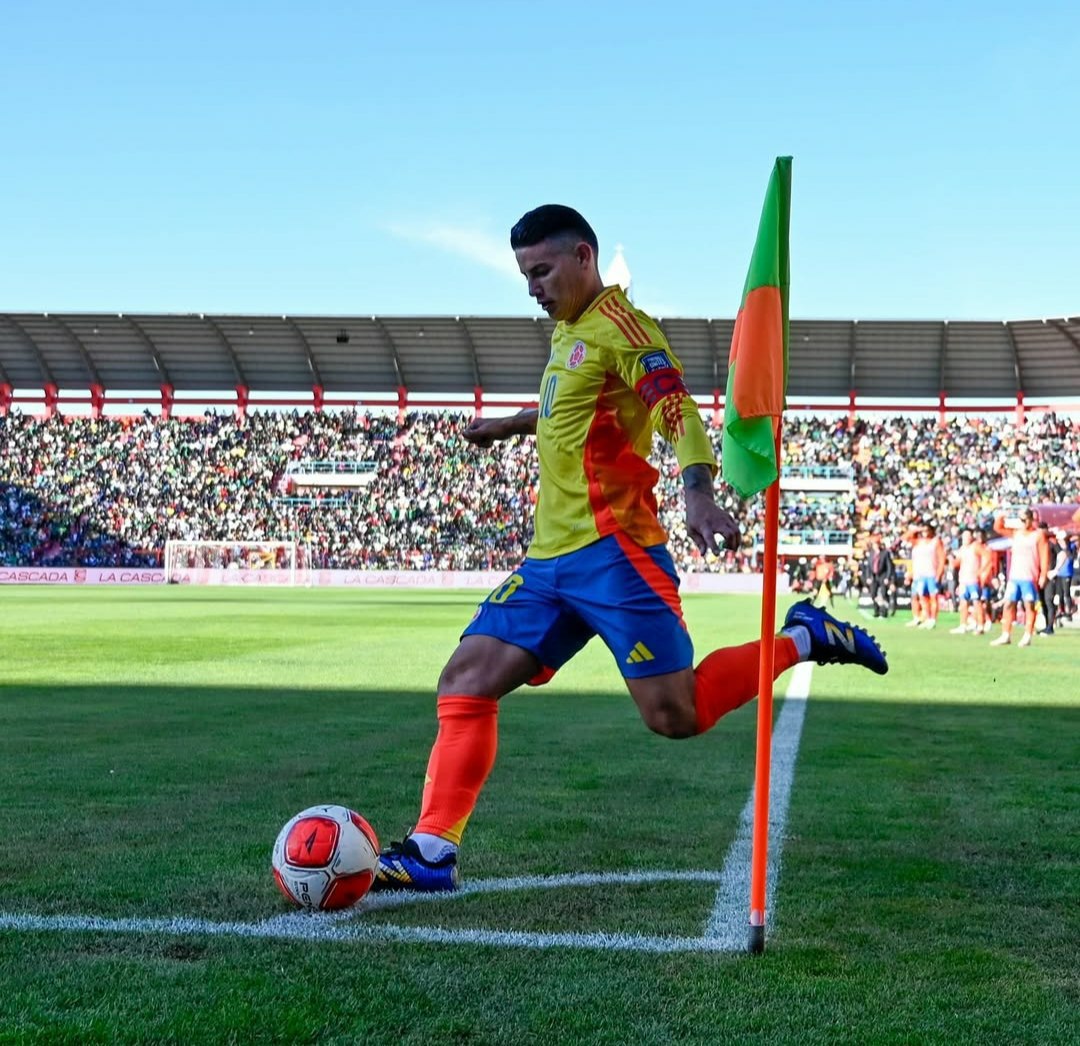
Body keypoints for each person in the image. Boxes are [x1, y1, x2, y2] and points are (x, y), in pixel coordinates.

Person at [370, 204, 889, 892]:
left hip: (618, 554)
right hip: (548, 562)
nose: (533, 288)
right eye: (525, 275)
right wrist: (509, 425)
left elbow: (675, 408)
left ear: (584, 257)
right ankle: (433, 851)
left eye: (543, 270)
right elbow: (570, 410)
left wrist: (697, 491)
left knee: (677, 715)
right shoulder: (570, 333)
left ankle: (802, 635)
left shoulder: (624, 328)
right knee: (465, 680)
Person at [990, 508, 1049, 648]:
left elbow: (1044, 555)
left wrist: (1043, 574)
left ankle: (1028, 634)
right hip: (1014, 575)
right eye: (1020, 520)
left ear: (1030, 520)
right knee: (1009, 604)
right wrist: (1002, 515)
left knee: (1029, 605)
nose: (1022, 523)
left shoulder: (1038, 535)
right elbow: (998, 527)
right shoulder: (1016, 533)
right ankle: (1006, 634)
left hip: (1029, 575)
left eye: (1024, 520)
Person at [905, 522, 946, 629]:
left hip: (931, 573)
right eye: (923, 531)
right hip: (919, 574)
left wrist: (939, 573)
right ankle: (924, 618)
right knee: (921, 597)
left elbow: (942, 559)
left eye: (927, 530)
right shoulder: (918, 542)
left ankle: (933, 619)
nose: (925, 533)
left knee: (933, 597)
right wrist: (917, 529)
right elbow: (905, 537)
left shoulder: (935, 542)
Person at [950, 529, 984, 634]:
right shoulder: (962, 549)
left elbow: (986, 558)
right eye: (964, 537)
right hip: (963, 580)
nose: (965, 539)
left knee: (976, 602)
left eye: (967, 536)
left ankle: (980, 625)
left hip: (973, 579)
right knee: (963, 603)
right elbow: (957, 563)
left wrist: (981, 574)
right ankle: (963, 625)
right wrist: (952, 560)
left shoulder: (976, 547)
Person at [863, 532, 894, 618]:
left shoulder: (885, 553)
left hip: (882, 575)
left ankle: (884, 612)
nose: (875, 546)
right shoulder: (871, 553)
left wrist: (887, 577)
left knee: (884, 594)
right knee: (873, 594)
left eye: (876, 544)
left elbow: (889, 566)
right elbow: (868, 566)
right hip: (873, 576)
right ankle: (876, 610)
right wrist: (868, 577)